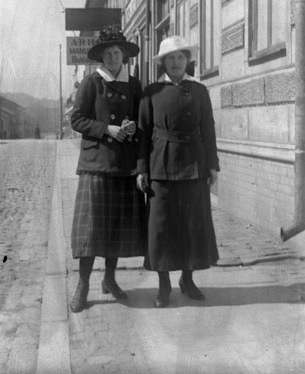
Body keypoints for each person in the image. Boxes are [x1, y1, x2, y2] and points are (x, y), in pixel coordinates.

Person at [136, 35, 219, 308]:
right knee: (161, 227)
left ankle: (188, 279)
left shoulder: (199, 91)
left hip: (193, 164)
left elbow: (208, 129)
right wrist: (142, 169)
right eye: (170, 58)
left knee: (192, 225)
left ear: (187, 60)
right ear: (163, 62)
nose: (176, 62)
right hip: (160, 165)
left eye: (180, 57)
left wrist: (212, 165)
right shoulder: (151, 92)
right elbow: (143, 132)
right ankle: (163, 285)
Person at [69, 26, 146, 313]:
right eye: (108, 53)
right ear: (101, 56)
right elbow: (77, 119)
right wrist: (107, 129)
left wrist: (132, 126)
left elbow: (141, 119)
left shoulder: (134, 85)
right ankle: (83, 284)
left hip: (124, 165)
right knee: (91, 230)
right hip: (96, 165)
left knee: (115, 228)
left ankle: (110, 279)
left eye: (117, 53)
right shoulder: (92, 83)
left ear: (124, 56)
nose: (113, 57)